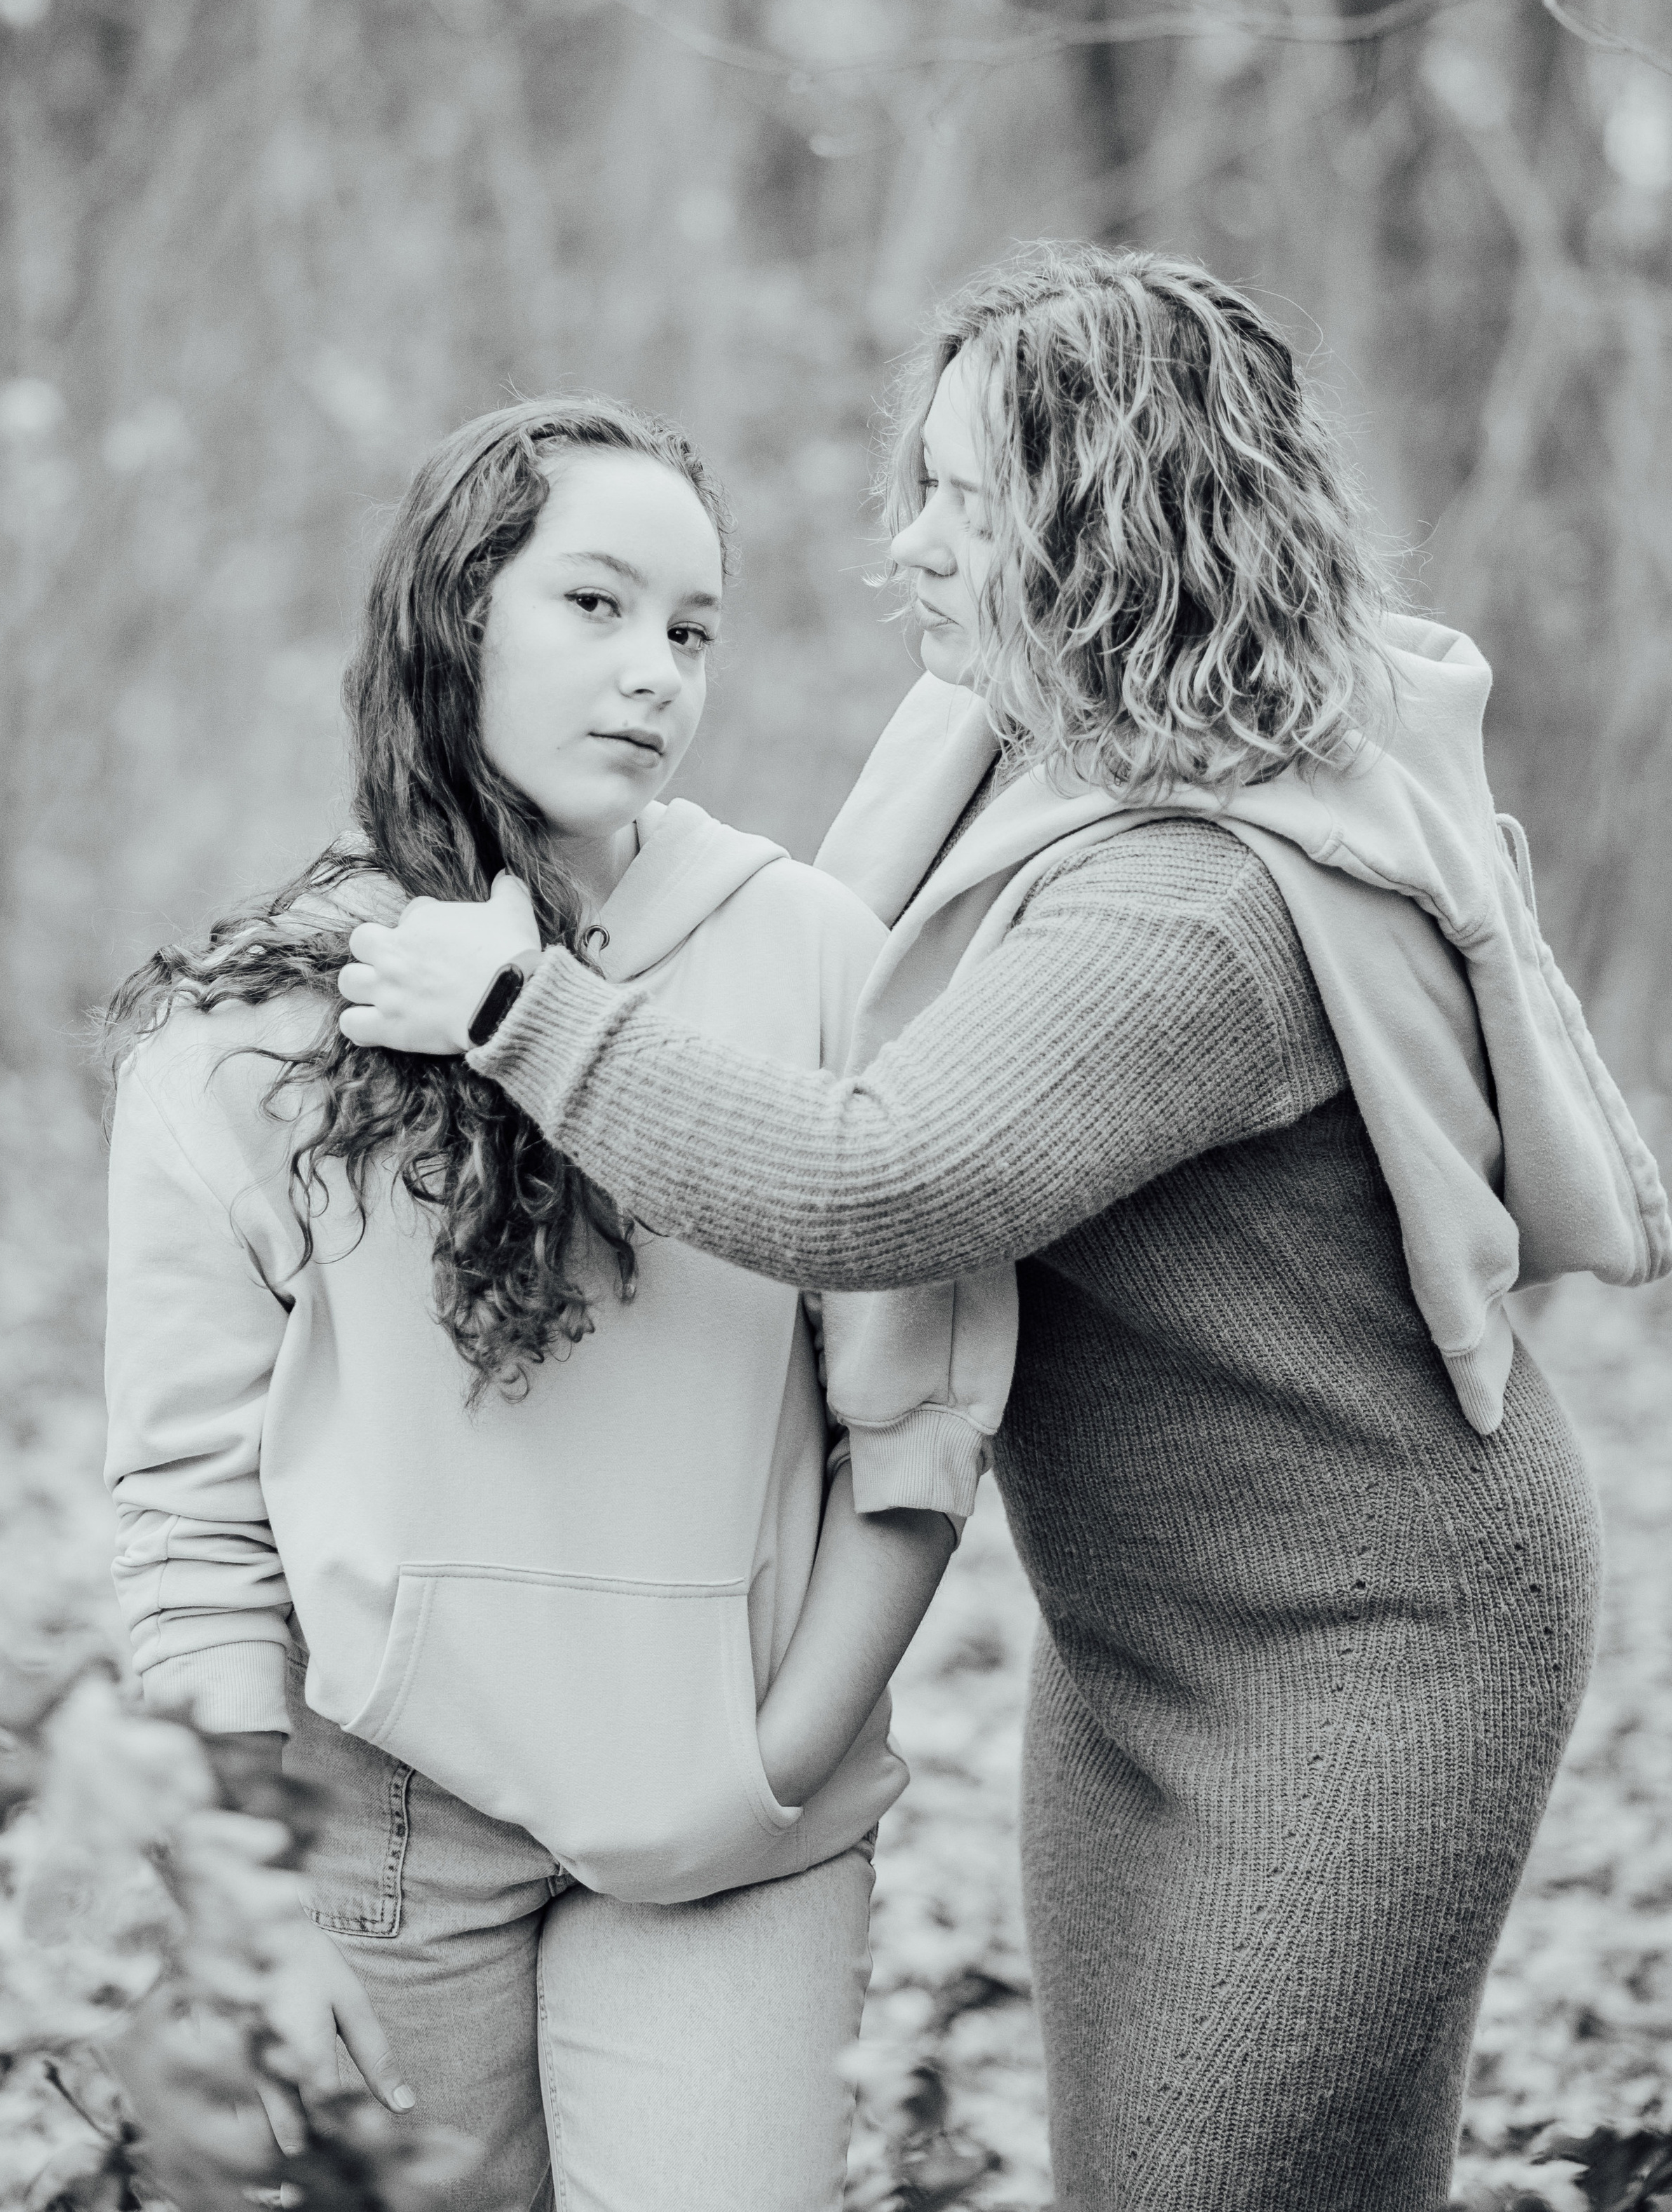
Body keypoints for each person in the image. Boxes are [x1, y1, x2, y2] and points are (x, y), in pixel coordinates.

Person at [337, 247, 1671, 2212]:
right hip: (1148, 1640)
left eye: (964, 499)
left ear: (1098, 516)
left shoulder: (1197, 899)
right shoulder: (1041, 762)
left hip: (1373, 1653)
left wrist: (524, 1012)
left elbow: (884, 1179)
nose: (913, 547)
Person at [102, 397, 960, 2212]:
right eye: (596, 602)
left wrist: (772, 1761)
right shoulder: (251, 1026)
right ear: (456, 612)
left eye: (693, 625)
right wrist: (247, 1900)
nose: (655, 668)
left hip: (740, 1821)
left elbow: (918, 1416)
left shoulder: (811, 952)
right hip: (383, 1822)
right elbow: (186, 1510)